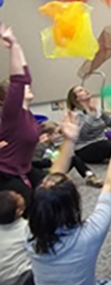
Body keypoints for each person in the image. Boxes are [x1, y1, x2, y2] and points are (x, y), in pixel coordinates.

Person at [25, 113, 111, 285]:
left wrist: (68, 140)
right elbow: (110, 183)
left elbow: (52, 179)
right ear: (72, 204)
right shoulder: (89, 234)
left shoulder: (30, 234)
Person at [0, 25, 45, 210]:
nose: (28, 86)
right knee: (29, 207)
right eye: (21, 89)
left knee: (54, 191)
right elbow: (20, 80)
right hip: (6, 173)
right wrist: (14, 46)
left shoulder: (28, 113)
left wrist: (16, 47)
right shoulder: (12, 114)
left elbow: (25, 77)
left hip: (24, 169)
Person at [67, 86, 111, 165]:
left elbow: (109, 122)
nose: (85, 90)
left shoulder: (97, 109)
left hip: (102, 140)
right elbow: (84, 134)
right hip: (85, 148)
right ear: (76, 99)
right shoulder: (76, 114)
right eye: (80, 90)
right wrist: (91, 114)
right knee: (106, 145)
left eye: (84, 89)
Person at [32, 121, 103, 188]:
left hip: (55, 167)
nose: (58, 136)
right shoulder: (39, 147)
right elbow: (34, 162)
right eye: (56, 133)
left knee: (73, 158)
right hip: (45, 173)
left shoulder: (51, 144)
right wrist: (51, 162)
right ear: (47, 135)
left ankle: (90, 176)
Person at [0, 191, 34, 285]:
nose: (20, 194)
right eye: (18, 196)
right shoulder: (28, 228)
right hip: (20, 278)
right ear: (19, 211)